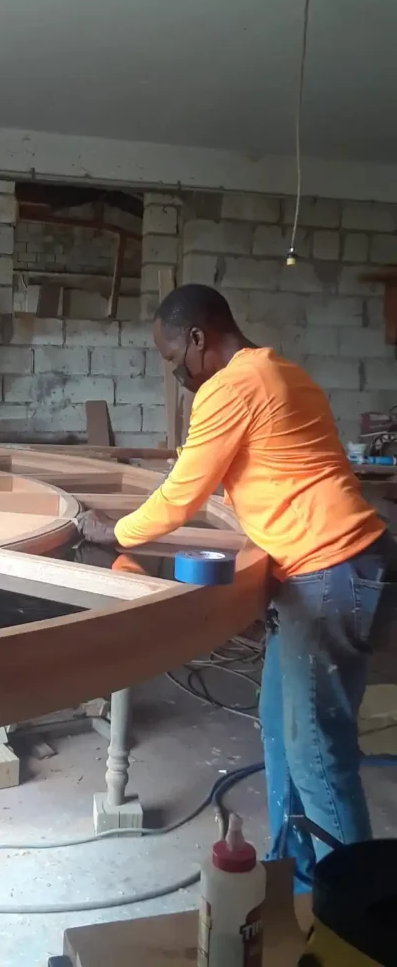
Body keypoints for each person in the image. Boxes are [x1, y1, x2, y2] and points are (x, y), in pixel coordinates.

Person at [77, 282, 397, 891]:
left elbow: (179, 497)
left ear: (198, 338)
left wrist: (114, 531)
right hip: (345, 567)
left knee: (319, 760)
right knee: (283, 732)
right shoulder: (282, 369)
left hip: (326, 575)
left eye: (176, 360)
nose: (178, 376)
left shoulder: (232, 385)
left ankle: (355, 921)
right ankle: (297, 891)